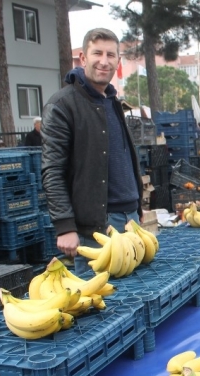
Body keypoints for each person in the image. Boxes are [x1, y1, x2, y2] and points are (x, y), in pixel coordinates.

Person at [41, 28, 144, 276]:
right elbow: (52, 170)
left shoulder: (112, 102)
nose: (104, 60)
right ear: (83, 58)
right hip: (97, 226)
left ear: (117, 61)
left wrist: (138, 207)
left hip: (131, 219)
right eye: (97, 53)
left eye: (111, 55)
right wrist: (65, 225)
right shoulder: (63, 105)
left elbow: (122, 159)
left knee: (137, 296)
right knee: (99, 308)